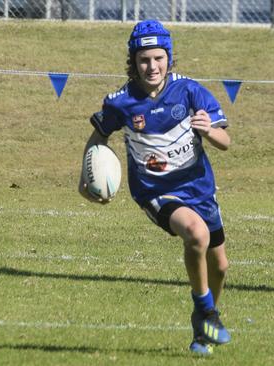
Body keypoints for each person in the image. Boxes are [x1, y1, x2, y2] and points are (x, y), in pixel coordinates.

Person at [79, 20, 231, 355]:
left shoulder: (190, 91)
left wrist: (208, 132)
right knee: (196, 234)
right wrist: (84, 175)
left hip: (199, 187)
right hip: (154, 191)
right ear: (133, 61)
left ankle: (204, 325)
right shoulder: (121, 102)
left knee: (219, 266)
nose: (152, 66)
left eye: (159, 58)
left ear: (169, 58)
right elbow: (98, 135)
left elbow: (225, 141)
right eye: (144, 59)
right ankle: (205, 310)